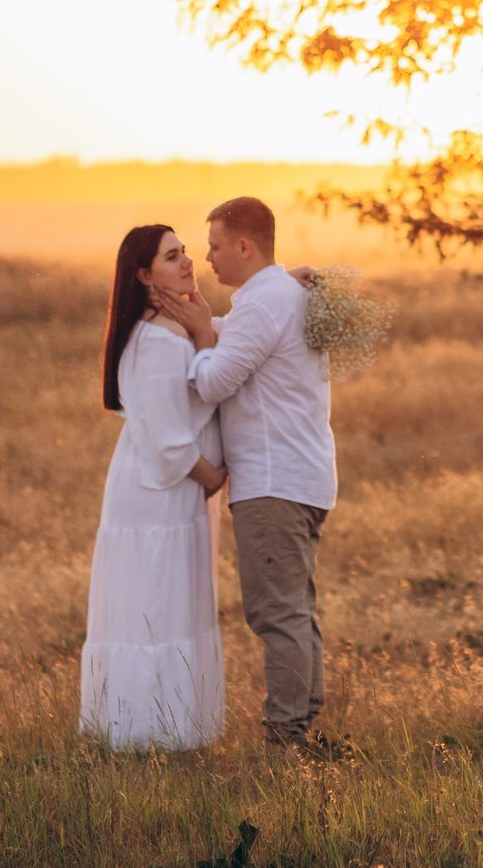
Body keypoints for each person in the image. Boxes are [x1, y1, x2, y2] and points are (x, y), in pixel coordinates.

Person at [148, 195, 337, 747]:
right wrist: (211, 324)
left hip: (274, 483)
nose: (205, 259)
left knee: (277, 614)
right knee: (295, 611)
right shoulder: (277, 296)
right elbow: (250, 340)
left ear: (244, 246)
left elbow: (212, 382)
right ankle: (303, 730)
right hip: (299, 477)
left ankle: (285, 740)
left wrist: (204, 336)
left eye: (213, 246)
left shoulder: (265, 301)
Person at [79, 224, 228, 751]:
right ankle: (150, 734)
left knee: (159, 606)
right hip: (160, 491)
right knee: (156, 608)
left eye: (185, 251)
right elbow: (169, 438)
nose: (187, 261)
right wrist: (214, 477)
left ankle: (158, 730)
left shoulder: (164, 331)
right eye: (172, 257)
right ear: (144, 275)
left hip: (158, 487)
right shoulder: (161, 341)